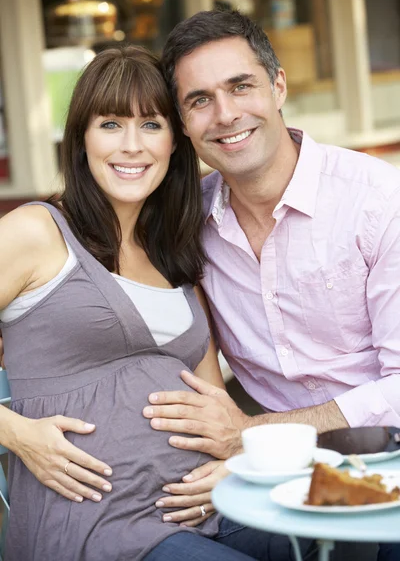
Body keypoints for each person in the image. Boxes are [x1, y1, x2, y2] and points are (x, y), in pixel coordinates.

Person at [0, 45, 311, 561]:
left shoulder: (176, 252)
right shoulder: (36, 232)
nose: (131, 146)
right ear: (81, 139)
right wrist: (17, 434)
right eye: (110, 125)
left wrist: (230, 464)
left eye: (150, 125)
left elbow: (216, 405)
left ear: (175, 141)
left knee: (359, 533)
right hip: (100, 525)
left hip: (213, 507)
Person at [138, 10, 400, 560]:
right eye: (200, 99)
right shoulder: (185, 224)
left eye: (241, 86)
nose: (226, 114)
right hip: (275, 482)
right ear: (183, 124)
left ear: (278, 86)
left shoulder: (377, 201)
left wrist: (259, 437)